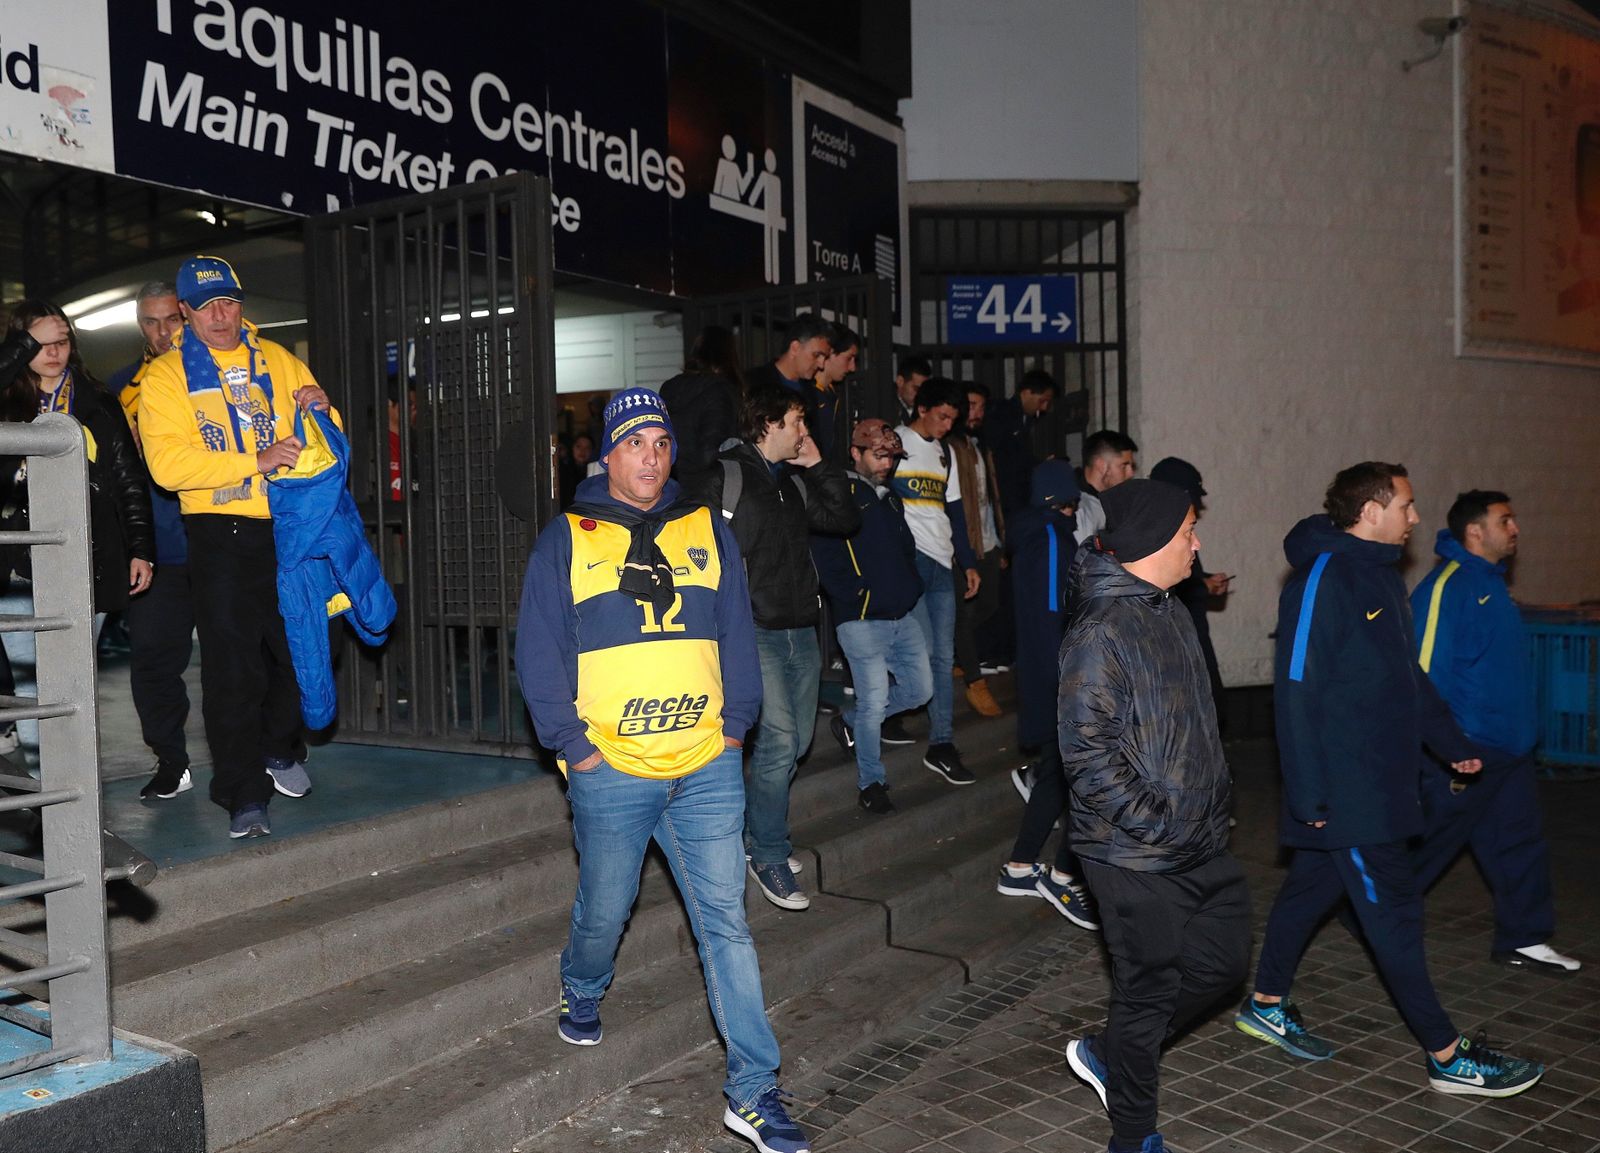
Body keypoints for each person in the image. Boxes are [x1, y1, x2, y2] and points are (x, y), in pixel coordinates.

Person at [515, 387, 810, 1153]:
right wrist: (575, 747)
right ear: (605, 454)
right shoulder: (567, 538)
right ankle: (582, 986)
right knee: (606, 909)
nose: (650, 455)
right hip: (612, 767)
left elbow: (736, 629)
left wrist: (736, 728)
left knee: (727, 923)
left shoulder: (706, 527)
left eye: (661, 443)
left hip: (706, 764)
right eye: (634, 442)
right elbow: (539, 652)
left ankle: (753, 1086)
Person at [1237, 463, 1544, 1098]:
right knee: (1398, 915)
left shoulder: (1380, 576)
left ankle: (1265, 1002)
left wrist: (1450, 744)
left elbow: (1409, 679)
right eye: (1406, 505)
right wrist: (1309, 792)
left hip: (1378, 781)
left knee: (1310, 890)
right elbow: (1296, 688)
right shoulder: (1323, 577)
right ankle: (1447, 1055)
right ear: (1371, 511)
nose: (1416, 518)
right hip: (1348, 791)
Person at [1058, 479, 1247, 1153]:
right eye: (1190, 530)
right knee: (1147, 991)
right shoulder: (1100, 629)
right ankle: (1133, 1136)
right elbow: (1087, 754)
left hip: (1198, 835)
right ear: (1154, 542)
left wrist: (1212, 799)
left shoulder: (1167, 608)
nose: (1198, 542)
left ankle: (1113, 1052)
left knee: (1224, 965)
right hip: (1130, 851)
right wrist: (1158, 820)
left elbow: (1193, 722)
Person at [139, 256, 332, 839]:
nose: (222, 316)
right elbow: (168, 466)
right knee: (233, 671)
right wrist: (254, 460)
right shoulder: (167, 376)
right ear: (185, 313)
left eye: (230, 302)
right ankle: (242, 791)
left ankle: (278, 745)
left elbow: (322, 434)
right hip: (220, 535)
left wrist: (323, 411)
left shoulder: (276, 358)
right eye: (207, 306)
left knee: (307, 651)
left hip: (290, 527)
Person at [690, 384, 859, 910]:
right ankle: (767, 853)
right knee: (781, 741)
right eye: (796, 422)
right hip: (753, 631)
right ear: (767, 423)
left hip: (800, 628)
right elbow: (695, 551)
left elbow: (843, 519)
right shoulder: (726, 478)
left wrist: (818, 463)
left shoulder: (791, 484)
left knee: (797, 742)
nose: (804, 431)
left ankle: (756, 835)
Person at [1410, 490, 1579, 974]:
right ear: (1475, 531)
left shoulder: (1492, 585)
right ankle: (1370, 913)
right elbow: (1422, 670)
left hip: (1509, 749)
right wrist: (1444, 746)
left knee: (1519, 844)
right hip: (1465, 748)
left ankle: (1524, 938)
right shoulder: (1449, 586)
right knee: (1428, 843)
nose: (1516, 529)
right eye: (1505, 520)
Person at [1, 301, 154, 632]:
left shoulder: (98, 400)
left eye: (61, 342)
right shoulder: (7, 401)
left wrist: (141, 550)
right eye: (41, 343)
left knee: (77, 676)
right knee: (31, 684)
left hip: (86, 554)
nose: (53, 352)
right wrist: (23, 343)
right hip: (17, 557)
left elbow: (128, 479)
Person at [996, 460, 1098, 930]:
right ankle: (1058, 872)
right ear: (1065, 502)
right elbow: (1057, 614)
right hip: (1059, 675)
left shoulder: (1033, 536)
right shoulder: (1055, 538)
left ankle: (1021, 867)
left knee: (1060, 773)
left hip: (1045, 674)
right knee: (1075, 775)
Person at [813, 419, 931, 815]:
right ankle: (872, 783)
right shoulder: (840, 493)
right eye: (879, 455)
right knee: (874, 701)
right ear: (856, 453)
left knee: (919, 690)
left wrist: (909, 587)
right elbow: (825, 553)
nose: (887, 464)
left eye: (892, 457)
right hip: (861, 619)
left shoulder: (891, 497)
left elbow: (905, 549)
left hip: (900, 613)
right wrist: (854, 594)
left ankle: (850, 721)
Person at [107, 282, 197, 800]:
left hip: (222, 540)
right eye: (150, 322)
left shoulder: (220, 378)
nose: (163, 332)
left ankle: (260, 754)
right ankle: (171, 760)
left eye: (171, 320)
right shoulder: (121, 387)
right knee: (153, 662)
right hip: (155, 551)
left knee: (245, 657)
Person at [893, 377, 981, 786]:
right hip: (909, 561)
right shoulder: (895, 441)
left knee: (943, 657)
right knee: (921, 653)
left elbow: (957, 510)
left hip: (942, 561)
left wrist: (967, 562)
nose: (948, 425)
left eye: (953, 418)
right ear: (922, 408)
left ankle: (942, 743)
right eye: (943, 416)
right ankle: (879, 716)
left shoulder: (945, 452)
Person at [1147, 457, 1231, 722]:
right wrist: (1200, 586)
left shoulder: (1175, 528)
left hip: (1190, 636)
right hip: (1178, 648)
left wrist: (1204, 581)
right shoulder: (1158, 533)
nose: (1196, 543)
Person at [949, 383, 1006, 718]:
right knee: (960, 611)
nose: (977, 414)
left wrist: (1000, 537)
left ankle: (958, 652)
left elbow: (992, 495)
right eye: (971, 405)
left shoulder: (980, 445)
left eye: (982, 407)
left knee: (989, 604)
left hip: (988, 541)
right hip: (963, 545)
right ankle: (974, 679)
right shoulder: (951, 446)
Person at [659, 325, 745, 483]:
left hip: (670, 489)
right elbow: (712, 452)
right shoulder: (721, 391)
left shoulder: (669, 388)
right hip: (707, 492)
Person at [987, 369, 1057, 518]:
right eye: (1042, 400)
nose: (1044, 407)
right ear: (1026, 392)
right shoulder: (1003, 415)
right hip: (1006, 495)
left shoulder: (1027, 420)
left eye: (1047, 402)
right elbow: (1010, 458)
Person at [802, 322, 858, 460]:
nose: (853, 367)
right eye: (849, 358)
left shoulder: (835, 393)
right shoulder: (806, 393)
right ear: (830, 353)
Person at [1074, 430, 1138, 545]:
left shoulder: (1110, 501)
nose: (1130, 473)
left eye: (1131, 466)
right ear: (1101, 465)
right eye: (1124, 466)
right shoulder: (1078, 508)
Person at [893, 353, 932, 427]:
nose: (920, 394)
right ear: (900, 381)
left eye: (923, 390)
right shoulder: (884, 407)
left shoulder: (928, 406)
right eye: (916, 388)